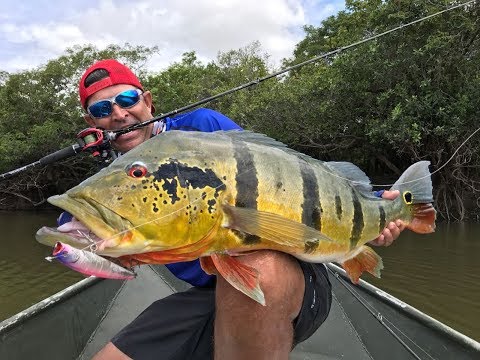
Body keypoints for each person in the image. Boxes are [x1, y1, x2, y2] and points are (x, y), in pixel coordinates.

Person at [66, 59, 404, 360]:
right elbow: (72, 222)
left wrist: (377, 205)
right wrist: (86, 246)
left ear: (148, 101)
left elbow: (280, 175)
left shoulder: (203, 127)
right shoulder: (113, 180)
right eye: (102, 110)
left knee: (261, 271)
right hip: (208, 295)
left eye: (127, 100)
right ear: (92, 122)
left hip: (296, 276)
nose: (119, 113)